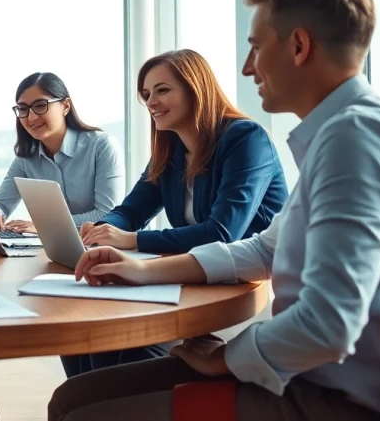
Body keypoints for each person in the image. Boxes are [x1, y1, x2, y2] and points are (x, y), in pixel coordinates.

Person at [49, 0, 380, 421]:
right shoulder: (341, 133)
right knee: (72, 396)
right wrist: (138, 271)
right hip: (303, 371)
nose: (247, 67)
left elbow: (328, 325)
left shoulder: (354, 138)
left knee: (83, 413)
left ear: (298, 46)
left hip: (333, 394)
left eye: (256, 47)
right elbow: (263, 248)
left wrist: (228, 357)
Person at [63, 49, 288, 378]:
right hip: (196, 280)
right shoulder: (171, 151)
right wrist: (103, 229)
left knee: (117, 342)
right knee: (83, 336)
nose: (151, 101)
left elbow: (223, 233)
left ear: (195, 88)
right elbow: (129, 210)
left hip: (245, 287)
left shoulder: (245, 139)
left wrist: (133, 239)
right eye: (146, 94)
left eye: (162, 89)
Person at [0, 72, 124, 233]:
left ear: (65, 106)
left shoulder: (102, 146)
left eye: (40, 105)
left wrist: (44, 226)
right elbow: (0, 203)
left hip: (106, 249)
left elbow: (107, 214)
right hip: (55, 249)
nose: (31, 117)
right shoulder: (26, 158)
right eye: (23, 109)